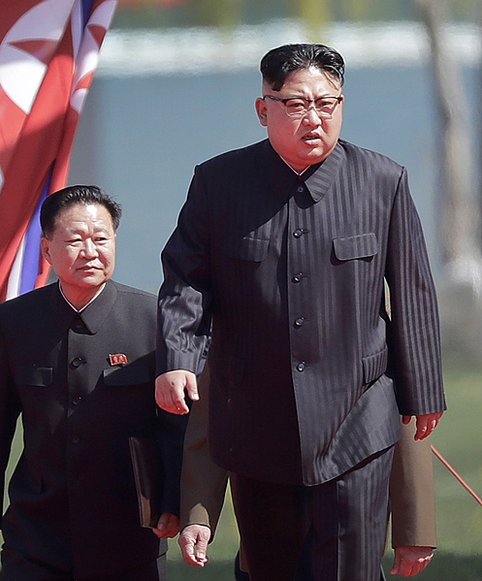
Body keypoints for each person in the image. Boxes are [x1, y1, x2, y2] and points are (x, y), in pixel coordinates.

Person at [153, 43, 446, 581]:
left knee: (349, 569)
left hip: (356, 419)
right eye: (296, 104)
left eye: (327, 103)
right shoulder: (219, 184)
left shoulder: (383, 181)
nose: (314, 118)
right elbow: (186, 280)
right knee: (270, 569)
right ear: (263, 109)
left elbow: (413, 293)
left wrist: (423, 392)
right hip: (255, 420)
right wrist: (178, 357)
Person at [0, 185, 188, 581]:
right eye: (75, 240)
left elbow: (175, 424)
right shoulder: (15, 321)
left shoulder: (153, 318)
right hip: (37, 530)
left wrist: (174, 501)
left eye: (101, 239)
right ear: (47, 251)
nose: (90, 251)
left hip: (127, 531)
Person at [177, 370, 437, 579]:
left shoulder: (366, 304)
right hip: (267, 518)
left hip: (352, 513)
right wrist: (198, 515)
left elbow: (403, 400)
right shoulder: (241, 305)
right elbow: (215, 408)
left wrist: (415, 530)